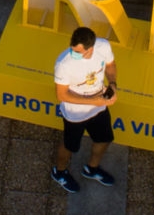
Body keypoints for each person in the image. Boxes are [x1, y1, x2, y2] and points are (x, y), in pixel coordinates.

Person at [50, 26, 117, 193]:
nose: (74, 54)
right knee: (70, 146)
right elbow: (62, 95)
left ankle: (91, 169)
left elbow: (110, 66)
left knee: (104, 139)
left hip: (98, 108)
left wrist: (113, 85)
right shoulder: (64, 64)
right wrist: (93, 101)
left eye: (78, 52)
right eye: (73, 50)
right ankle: (59, 172)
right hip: (75, 114)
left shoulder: (103, 47)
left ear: (91, 48)